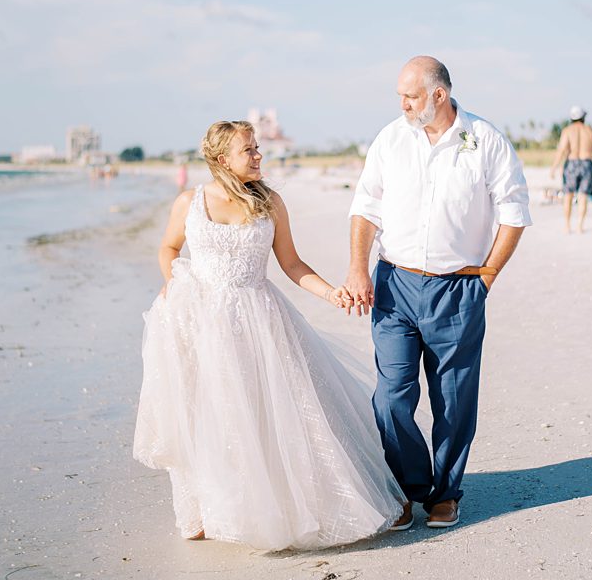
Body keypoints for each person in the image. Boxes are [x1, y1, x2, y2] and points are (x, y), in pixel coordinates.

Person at [134, 120, 404, 551]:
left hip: (260, 319)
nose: (259, 155)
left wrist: (331, 292)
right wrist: (173, 282)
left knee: (268, 412)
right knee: (209, 414)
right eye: (249, 150)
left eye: (258, 148)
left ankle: (278, 505)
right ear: (223, 160)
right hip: (201, 321)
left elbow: (292, 265)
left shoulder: (271, 203)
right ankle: (209, 507)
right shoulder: (190, 202)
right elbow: (168, 248)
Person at [343, 57, 531, 531]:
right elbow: (365, 208)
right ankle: (409, 488)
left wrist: (486, 276)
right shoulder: (390, 138)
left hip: (458, 290)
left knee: (453, 399)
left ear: (439, 96)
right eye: (401, 96)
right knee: (390, 396)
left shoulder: (485, 140)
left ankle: (445, 493)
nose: (403, 104)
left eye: (411, 96)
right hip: (395, 285)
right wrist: (357, 270)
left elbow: (514, 211)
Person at [551, 106, 592, 233]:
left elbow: (561, 150)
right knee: (583, 196)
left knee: (568, 196)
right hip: (587, 163)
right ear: (583, 117)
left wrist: (553, 168)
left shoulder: (567, 130)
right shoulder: (589, 130)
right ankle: (580, 226)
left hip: (571, 163)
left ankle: (567, 226)